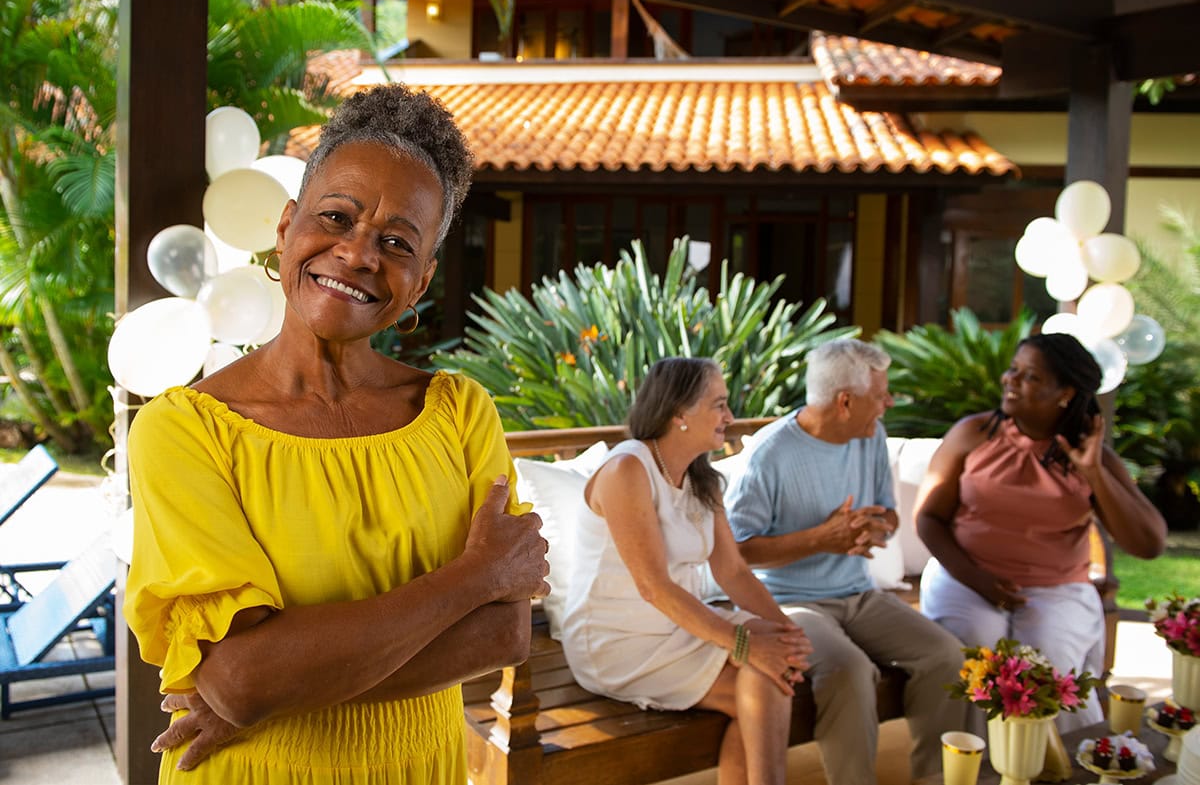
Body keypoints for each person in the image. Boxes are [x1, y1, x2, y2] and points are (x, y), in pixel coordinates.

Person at [123, 84, 550, 784]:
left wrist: (273, 688)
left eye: (396, 242)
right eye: (336, 217)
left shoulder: (459, 413)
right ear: (287, 225)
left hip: (421, 766)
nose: (356, 254)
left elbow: (502, 635)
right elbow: (241, 678)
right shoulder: (185, 430)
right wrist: (475, 576)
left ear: (421, 281)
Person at [560, 357, 812, 785]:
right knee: (765, 677)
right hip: (618, 641)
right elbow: (653, 587)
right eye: (719, 405)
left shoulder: (701, 480)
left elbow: (733, 572)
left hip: (681, 625)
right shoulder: (627, 470)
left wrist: (789, 634)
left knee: (774, 664)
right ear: (679, 412)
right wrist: (745, 644)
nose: (730, 418)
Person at [725, 338, 966, 785]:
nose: (888, 404)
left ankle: (935, 779)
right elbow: (738, 551)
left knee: (945, 655)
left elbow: (888, 515)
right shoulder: (769, 454)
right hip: (788, 603)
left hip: (859, 595)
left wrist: (875, 528)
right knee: (849, 670)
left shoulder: (870, 436)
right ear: (845, 401)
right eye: (881, 395)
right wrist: (822, 538)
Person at [916, 332, 1166, 732]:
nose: (1010, 380)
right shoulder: (974, 434)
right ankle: (974, 761)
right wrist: (978, 580)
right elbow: (928, 517)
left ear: (1065, 393)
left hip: (1056, 589)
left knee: (1050, 668)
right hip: (963, 577)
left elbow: (1149, 543)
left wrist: (1094, 474)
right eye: (1013, 370)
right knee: (975, 656)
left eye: (1029, 376)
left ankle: (1061, 760)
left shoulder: (1091, 457)